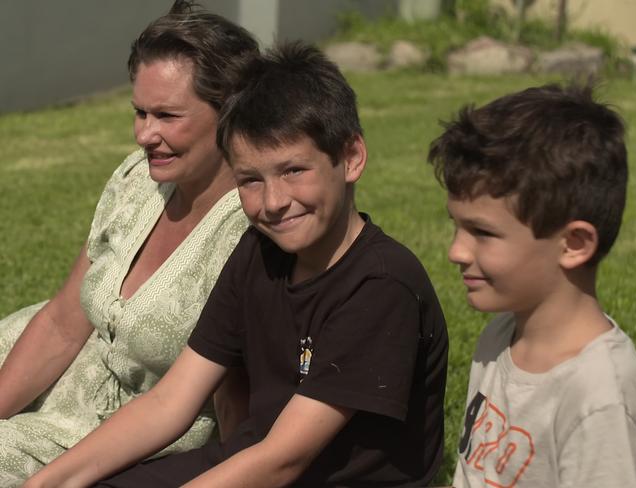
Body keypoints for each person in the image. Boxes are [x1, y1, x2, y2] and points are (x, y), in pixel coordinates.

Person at [25, 41, 449, 488]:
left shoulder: (381, 286)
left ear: (350, 158)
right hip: (246, 463)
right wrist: (50, 481)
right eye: (250, 179)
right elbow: (169, 402)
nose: (274, 202)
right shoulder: (257, 252)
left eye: (293, 171)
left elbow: (282, 460)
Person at [0, 2, 258, 485]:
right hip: (46, 366)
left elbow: (229, 399)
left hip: (114, 435)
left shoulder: (248, 229)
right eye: (139, 112)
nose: (144, 134)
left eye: (166, 115)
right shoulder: (139, 178)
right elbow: (61, 322)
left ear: (230, 113)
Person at [428, 84, 636, 487]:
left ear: (574, 244)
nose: (456, 251)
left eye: (481, 232)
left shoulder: (601, 397)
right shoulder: (501, 334)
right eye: (456, 226)